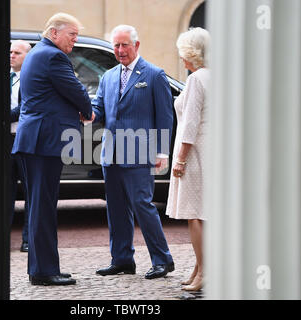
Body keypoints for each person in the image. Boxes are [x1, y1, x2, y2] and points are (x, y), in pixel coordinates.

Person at [12, 13, 93, 286]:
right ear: (54, 32)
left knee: (38, 207)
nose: (75, 40)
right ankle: (45, 271)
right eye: (72, 34)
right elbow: (76, 90)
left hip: (33, 139)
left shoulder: (35, 54)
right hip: (44, 142)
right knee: (43, 207)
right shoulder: (53, 57)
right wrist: (87, 111)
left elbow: (31, 99)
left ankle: (40, 268)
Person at [89, 25, 175, 279]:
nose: (120, 50)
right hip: (111, 153)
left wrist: (162, 152)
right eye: (116, 45)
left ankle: (163, 259)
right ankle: (122, 259)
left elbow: (165, 117)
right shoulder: (109, 76)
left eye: (125, 45)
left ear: (136, 45)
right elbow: (99, 110)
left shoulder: (154, 75)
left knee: (142, 205)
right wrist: (84, 112)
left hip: (140, 153)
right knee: (115, 208)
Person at [165, 27, 210, 291]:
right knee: (205, 214)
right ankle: (198, 268)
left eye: (183, 52)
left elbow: (190, 123)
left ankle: (204, 272)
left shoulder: (196, 79)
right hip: (212, 150)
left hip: (196, 152)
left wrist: (180, 159)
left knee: (195, 215)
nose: (181, 58)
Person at [9, 39, 31, 253]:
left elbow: (26, 107)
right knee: (4, 193)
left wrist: (1, 117)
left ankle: (28, 240)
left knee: (30, 192)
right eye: (10, 52)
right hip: (5, 140)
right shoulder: (4, 77)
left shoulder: (30, 78)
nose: (12, 55)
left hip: (23, 139)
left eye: (17, 52)